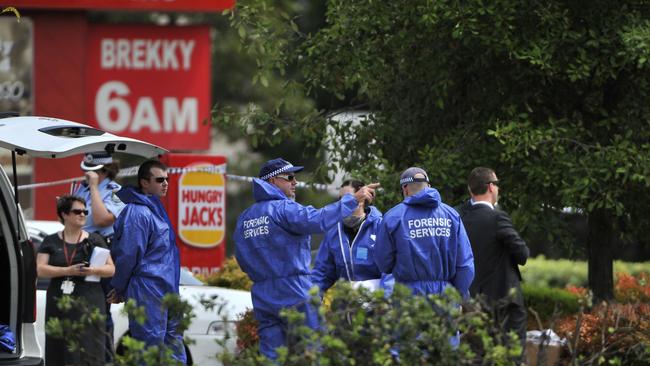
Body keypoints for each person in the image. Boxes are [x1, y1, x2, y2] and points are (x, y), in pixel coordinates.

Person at [234, 158, 378, 360]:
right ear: (274, 181)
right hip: (295, 290)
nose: (295, 182)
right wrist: (353, 199)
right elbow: (318, 220)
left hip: (263, 295)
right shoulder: (284, 209)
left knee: (271, 357)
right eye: (290, 177)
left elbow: (241, 258)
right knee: (313, 352)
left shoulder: (245, 218)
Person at [106, 159, 186, 363]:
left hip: (168, 288)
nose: (166, 184)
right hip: (148, 288)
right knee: (148, 349)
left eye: (167, 179)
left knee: (174, 346)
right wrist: (119, 287)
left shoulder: (154, 208)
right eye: (160, 180)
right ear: (144, 182)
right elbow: (127, 255)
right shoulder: (138, 212)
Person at [456, 167, 530, 351]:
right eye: (497, 184)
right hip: (504, 301)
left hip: (471, 300)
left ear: (470, 190)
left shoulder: (458, 217)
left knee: (477, 354)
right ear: (490, 187)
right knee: (511, 354)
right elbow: (523, 254)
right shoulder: (497, 217)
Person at [36, 195, 115, 366]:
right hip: (59, 302)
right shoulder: (50, 241)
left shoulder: (95, 239)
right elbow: (40, 269)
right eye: (77, 211)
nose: (82, 215)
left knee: (89, 346)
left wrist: (93, 270)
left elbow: (111, 269)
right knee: (59, 345)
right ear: (64, 214)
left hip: (90, 301)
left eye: (85, 211)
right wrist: (67, 270)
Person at [374, 167, 474, 297]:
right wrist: (459, 295)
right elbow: (465, 264)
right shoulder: (451, 215)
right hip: (444, 297)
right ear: (429, 186)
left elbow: (383, 263)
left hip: (407, 297)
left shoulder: (392, 217)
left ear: (404, 188)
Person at [74, 151, 125, 361]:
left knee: (100, 308)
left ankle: (105, 358)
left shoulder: (114, 191)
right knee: (81, 308)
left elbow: (102, 219)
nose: (87, 176)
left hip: (103, 249)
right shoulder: (81, 188)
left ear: (103, 171)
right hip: (81, 247)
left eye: (92, 172)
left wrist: (95, 187)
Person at [311, 179, 394, 295]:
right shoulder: (334, 232)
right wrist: (311, 301)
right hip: (347, 305)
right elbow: (322, 274)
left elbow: (391, 270)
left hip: (377, 303)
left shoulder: (381, 227)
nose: (344, 203)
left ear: (363, 199)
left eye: (349, 198)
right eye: (340, 200)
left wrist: (384, 300)